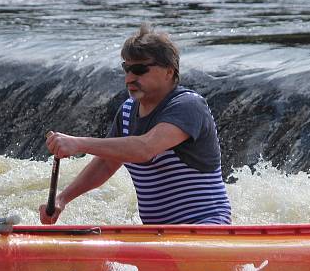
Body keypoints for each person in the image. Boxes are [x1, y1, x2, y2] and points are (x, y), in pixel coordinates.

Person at [39, 24, 232, 225]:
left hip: (206, 226)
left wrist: (78, 143)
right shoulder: (128, 111)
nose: (130, 78)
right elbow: (106, 163)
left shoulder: (188, 105)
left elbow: (145, 148)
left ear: (169, 71)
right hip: (157, 233)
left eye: (140, 70)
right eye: (127, 68)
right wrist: (62, 199)